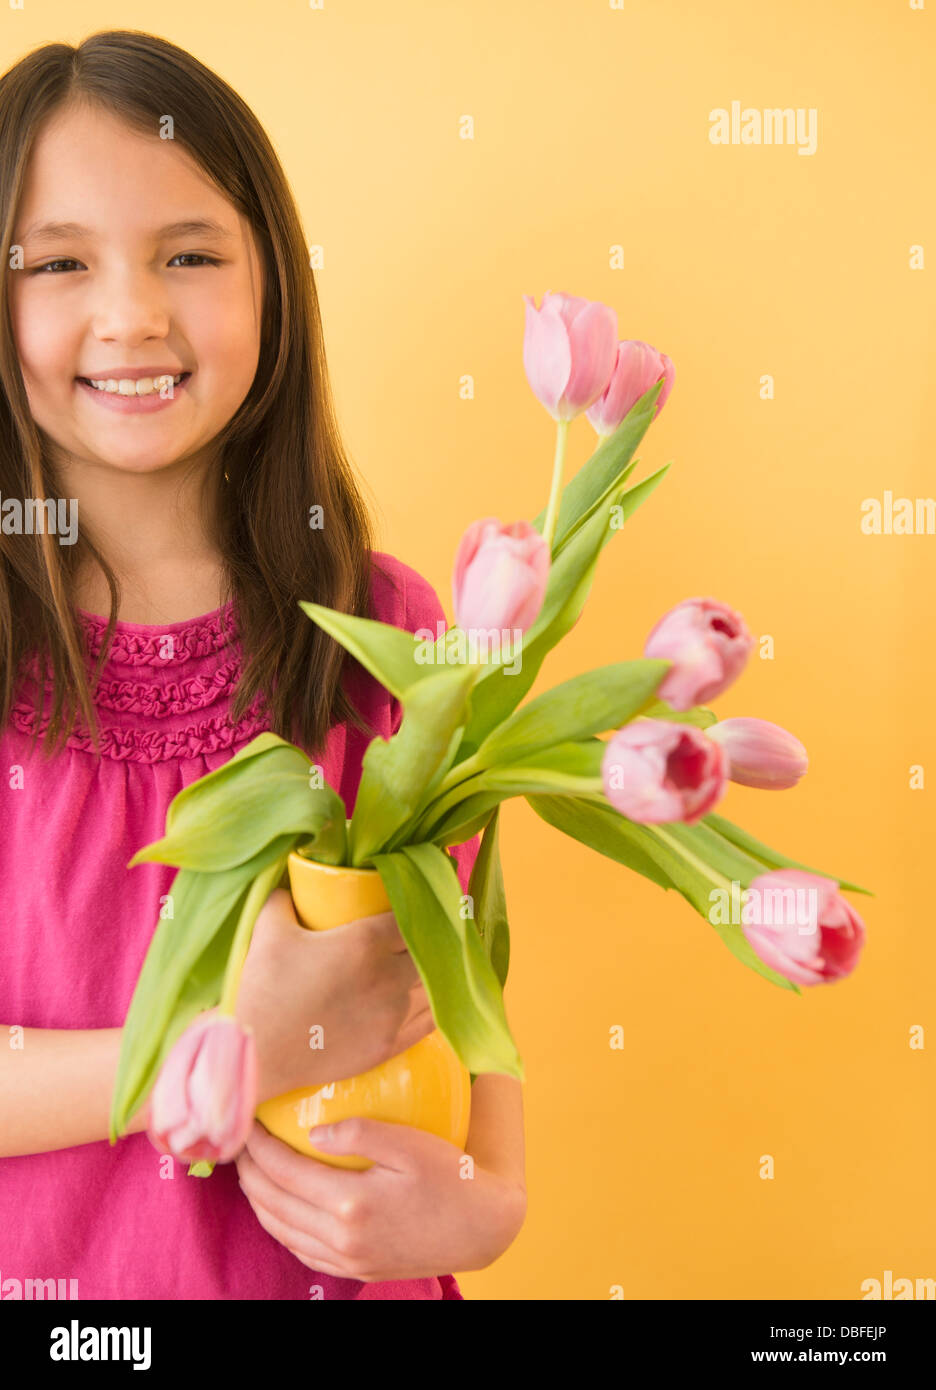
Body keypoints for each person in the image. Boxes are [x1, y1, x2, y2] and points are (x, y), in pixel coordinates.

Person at [0, 30, 525, 1300]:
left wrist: (488, 1207)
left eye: (190, 254)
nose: (132, 314)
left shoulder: (382, 629)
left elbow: (462, 986)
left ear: (272, 283)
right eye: (60, 262)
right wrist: (232, 1047)